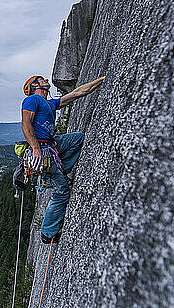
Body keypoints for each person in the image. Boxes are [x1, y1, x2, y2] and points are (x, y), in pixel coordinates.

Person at [21, 75, 105, 243]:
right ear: (35, 86)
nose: (45, 79)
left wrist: (102, 79)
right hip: (43, 149)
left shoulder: (50, 103)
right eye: (41, 79)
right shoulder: (32, 100)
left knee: (77, 138)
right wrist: (36, 149)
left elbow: (77, 93)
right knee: (61, 191)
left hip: (52, 144)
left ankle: (62, 169)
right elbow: (26, 124)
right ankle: (47, 233)